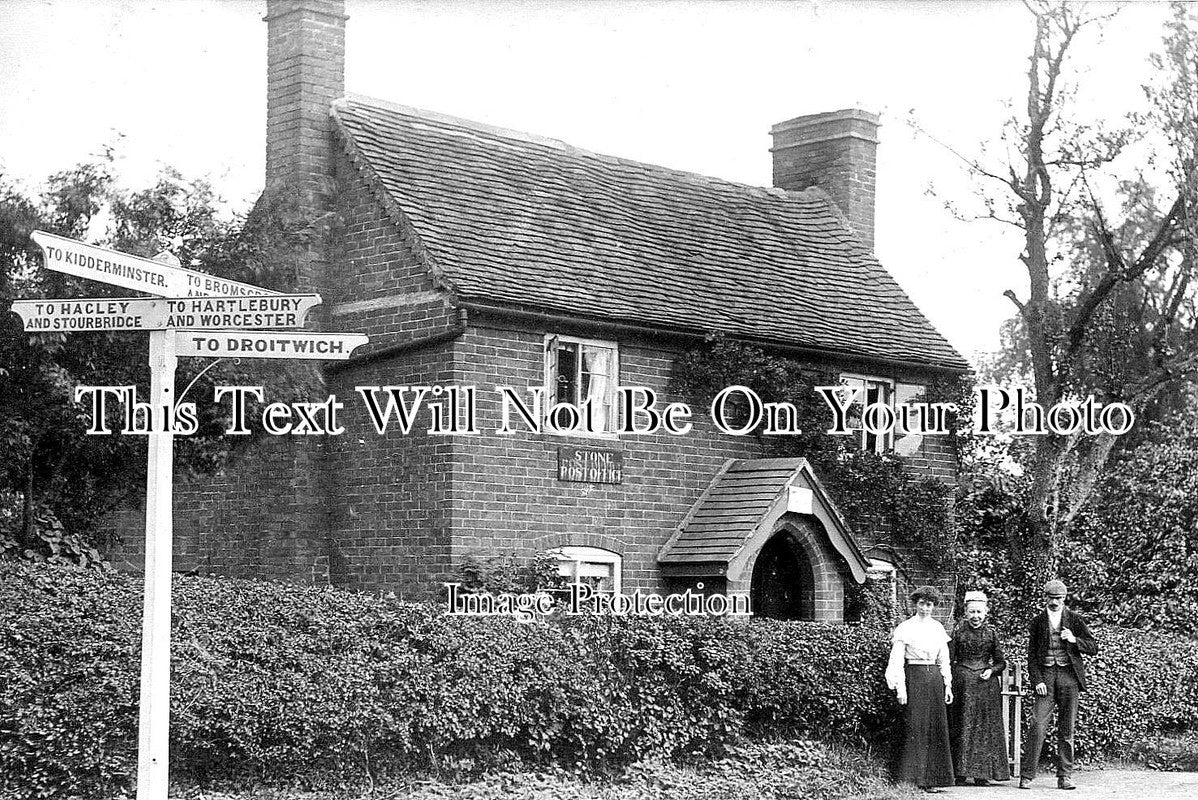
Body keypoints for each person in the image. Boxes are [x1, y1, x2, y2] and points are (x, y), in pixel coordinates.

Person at [1020, 579, 1098, 791]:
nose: (1054, 602)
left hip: (1068, 676)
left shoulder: (1074, 620)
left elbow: (1093, 647)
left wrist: (1074, 640)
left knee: (1067, 728)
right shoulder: (1037, 622)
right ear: (1045, 598)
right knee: (1037, 725)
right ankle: (1027, 775)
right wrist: (1037, 680)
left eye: (1059, 598)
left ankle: (1065, 776)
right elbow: (1031, 656)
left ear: (1065, 598)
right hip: (1045, 675)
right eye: (1051, 598)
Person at [886, 585, 955, 793]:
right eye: (922, 604)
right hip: (914, 677)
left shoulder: (937, 628)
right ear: (916, 604)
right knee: (915, 726)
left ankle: (932, 779)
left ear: (934, 606)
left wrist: (947, 685)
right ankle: (911, 777)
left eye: (930, 604)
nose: (926, 608)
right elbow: (896, 660)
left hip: (934, 679)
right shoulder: (905, 628)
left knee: (935, 726)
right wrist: (900, 688)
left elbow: (944, 660)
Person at [949, 590, 1011, 785]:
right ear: (965, 613)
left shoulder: (991, 634)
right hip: (963, 685)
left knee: (984, 729)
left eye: (979, 612)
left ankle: (982, 774)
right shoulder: (958, 633)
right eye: (972, 612)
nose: (975, 616)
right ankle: (960, 772)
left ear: (986, 613)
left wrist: (991, 670)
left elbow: (1001, 662)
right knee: (961, 725)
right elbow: (950, 660)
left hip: (985, 687)